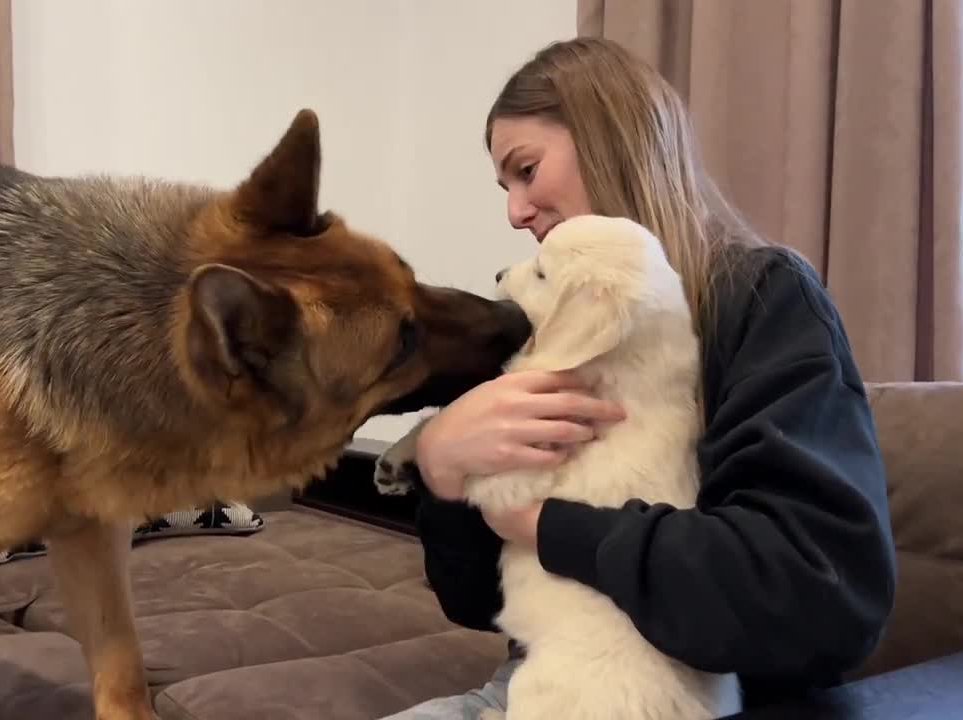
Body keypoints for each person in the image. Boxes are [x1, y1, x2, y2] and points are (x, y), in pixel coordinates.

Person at [381, 37, 897, 719]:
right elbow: (476, 602)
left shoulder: (761, 298)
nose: (514, 211)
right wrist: (443, 468)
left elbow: (818, 597)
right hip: (542, 682)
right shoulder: (544, 326)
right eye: (505, 186)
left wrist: (543, 524)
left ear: (608, 137)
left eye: (527, 170)